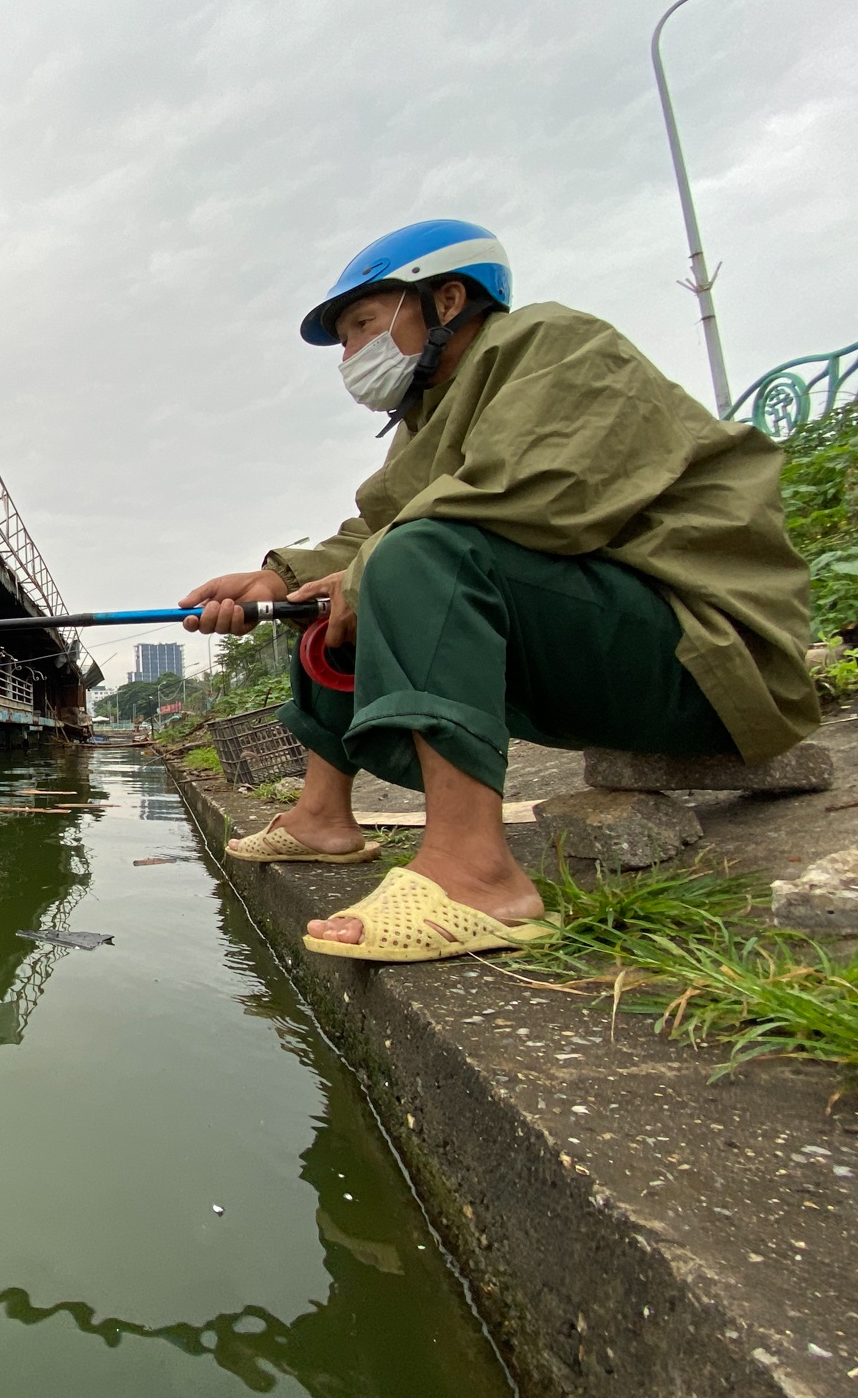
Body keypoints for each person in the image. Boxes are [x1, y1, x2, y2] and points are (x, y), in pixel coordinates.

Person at [181, 219, 815, 963]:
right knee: (330, 606)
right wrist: (280, 580)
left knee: (410, 559)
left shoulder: (555, 344)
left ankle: (477, 875)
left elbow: (541, 493)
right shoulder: (427, 418)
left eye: (361, 326)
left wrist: (367, 567)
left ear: (447, 301)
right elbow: (378, 529)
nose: (350, 355)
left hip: (712, 659)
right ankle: (322, 817)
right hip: (616, 659)